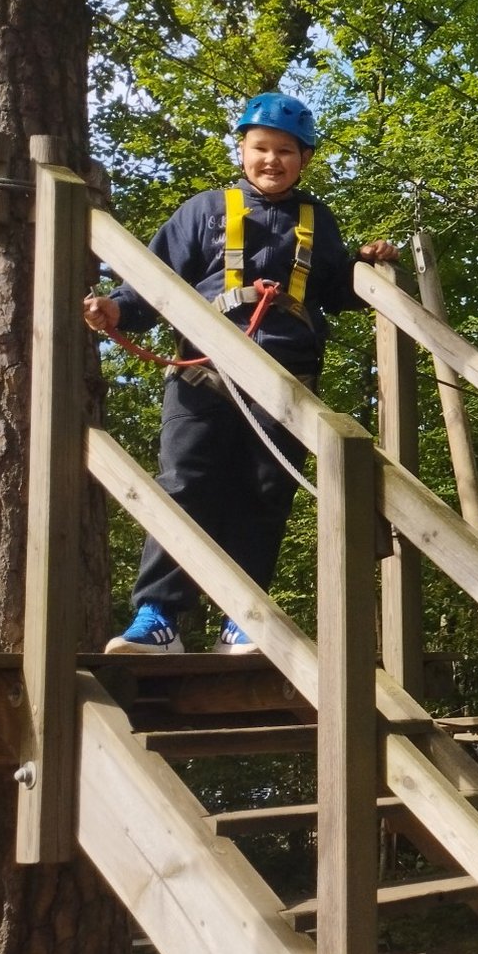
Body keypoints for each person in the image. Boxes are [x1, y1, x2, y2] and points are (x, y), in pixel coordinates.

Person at [83, 92, 399, 653]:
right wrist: (119, 309)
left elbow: (335, 288)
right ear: (242, 151)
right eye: (261, 148)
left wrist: (366, 265)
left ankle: (244, 617)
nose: (271, 160)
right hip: (204, 371)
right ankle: (159, 617)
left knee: (264, 492)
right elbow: (153, 279)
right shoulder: (203, 211)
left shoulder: (315, 221)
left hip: (284, 378)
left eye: (285, 151)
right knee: (186, 485)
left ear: (304, 160)